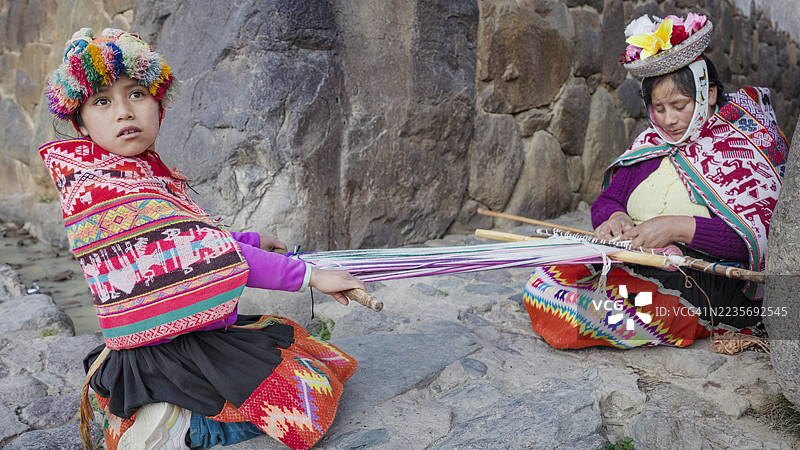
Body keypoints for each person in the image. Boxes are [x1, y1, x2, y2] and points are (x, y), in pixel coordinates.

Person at [40, 28, 366, 450]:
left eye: (136, 93)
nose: (124, 112)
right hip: (162, 353)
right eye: (102, 101)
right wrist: (311, 276)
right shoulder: (104, 189)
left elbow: (187, 241)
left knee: (311, 355)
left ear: (159, 105)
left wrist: (248, 238)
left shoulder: (131, 171)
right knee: (306, 395)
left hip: (186, 338)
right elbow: (201, 253)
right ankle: (176, 424)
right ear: (80, 123)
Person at [522, 13, 789, 349]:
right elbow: (609, 199)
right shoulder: (653, 143)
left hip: (705, 284)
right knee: (545, 282)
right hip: (638, 264)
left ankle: (681, 319)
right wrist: (613, 219)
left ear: (708, 94)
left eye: (679, 105)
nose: (669, 120)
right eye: (658, 108)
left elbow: (754, 240)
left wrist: (675, 227)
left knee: (576, 312)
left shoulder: (743, 147)